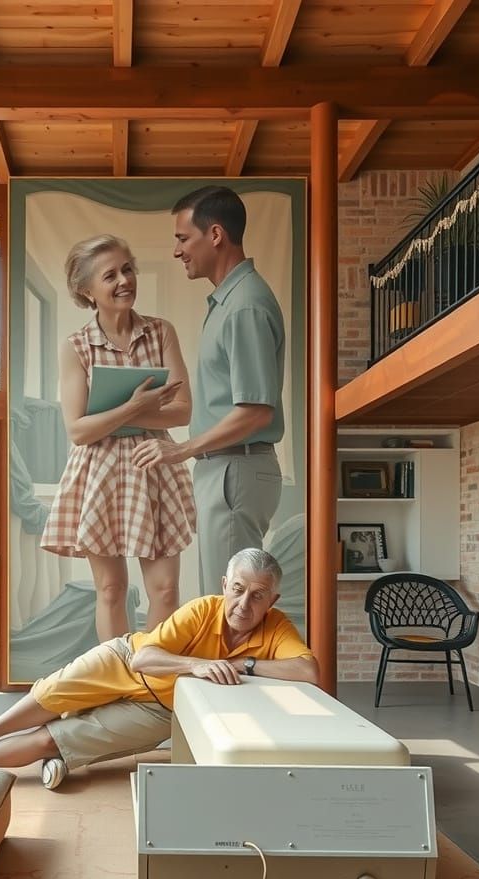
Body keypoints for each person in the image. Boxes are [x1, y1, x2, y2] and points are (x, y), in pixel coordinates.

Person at [0, 548, 319, 790]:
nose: (244, 605)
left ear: (273, 599)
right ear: (224, 583)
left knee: (53, 739)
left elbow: (308, 673)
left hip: (161, 710)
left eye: (258, 596)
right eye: (237, 590)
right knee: (51, 697)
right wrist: (201, 664)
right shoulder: (201, 610)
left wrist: (242, 663)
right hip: (124, 659)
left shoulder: (277, 627)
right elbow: (143, 659)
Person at [40, 234, 196, 641]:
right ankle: (115, 683)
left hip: (154, 465)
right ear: (86, 291)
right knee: (111, 589)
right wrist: (134, 407)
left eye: (128, 269)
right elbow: (77, 430)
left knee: (165, 589)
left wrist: (121, 414)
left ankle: (153, 682)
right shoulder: (76, 347)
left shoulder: (161, 333)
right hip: (99, 474)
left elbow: (183, 411)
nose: (124, 280)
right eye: (110, 275)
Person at [132, 186, 286, 594]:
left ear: (215, 234)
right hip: (225, 469)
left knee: (231, 606)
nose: (177, 251)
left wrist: (179, 450)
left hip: (234, 468)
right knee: (222, 602)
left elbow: (256, 411)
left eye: (183, 238)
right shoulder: (228, 302)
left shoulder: (244, 306)